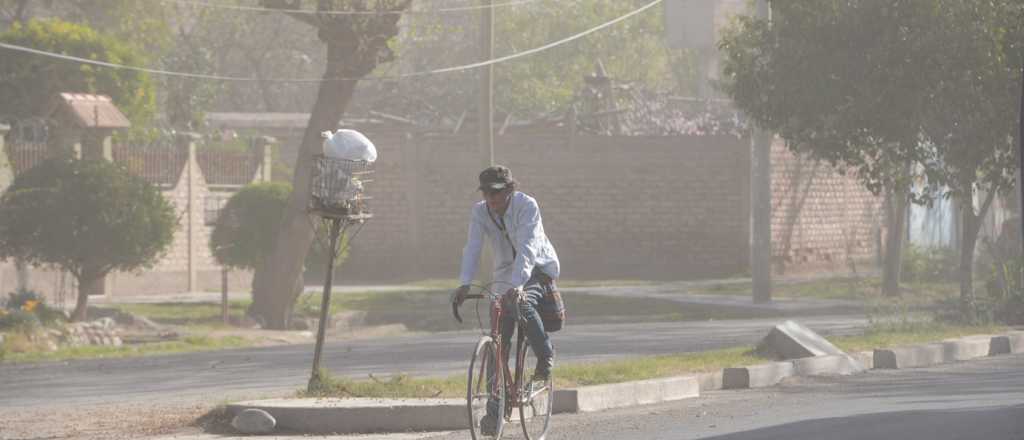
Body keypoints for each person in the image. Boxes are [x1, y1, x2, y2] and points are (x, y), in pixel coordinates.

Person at [452, 165, 560, 435]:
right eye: (487, 193)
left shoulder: (527, 206)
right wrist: (464, 283)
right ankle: (495, 413)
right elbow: (473, 247)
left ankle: (545, 357)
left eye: (497, 192)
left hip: (536, 269)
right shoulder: (480, 211)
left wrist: (519, 285)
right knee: (497, 341)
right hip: (504, 273)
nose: (492, 198)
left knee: (519, 303)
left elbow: (528, 247)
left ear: (510, 189)